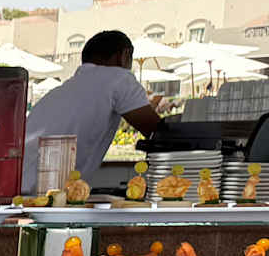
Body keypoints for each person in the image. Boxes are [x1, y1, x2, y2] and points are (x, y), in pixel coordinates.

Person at [22, 30, 167, 182]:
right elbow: (158, 132)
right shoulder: (119, 78)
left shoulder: (61, 91)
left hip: (19, 181)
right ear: (124, 55)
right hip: (45, 188)